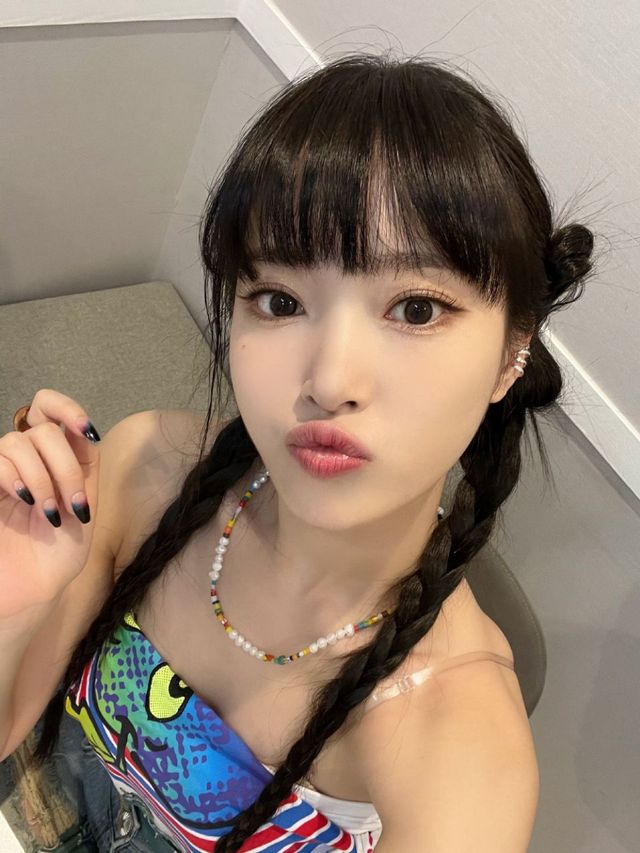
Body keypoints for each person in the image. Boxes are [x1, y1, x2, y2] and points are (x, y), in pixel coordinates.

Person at [1, 53, 596, 852]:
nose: (329, 381)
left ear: (511, 354)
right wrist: (16, 600)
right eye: (279, 300)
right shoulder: (148, 471)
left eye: (417, 309)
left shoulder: (457, 743)